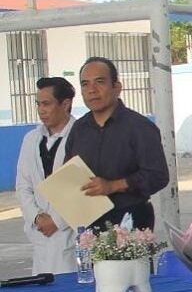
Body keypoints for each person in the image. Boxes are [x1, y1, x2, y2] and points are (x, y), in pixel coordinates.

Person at [65, 57, 169, 231]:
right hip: (89, 222)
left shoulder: (139, 127)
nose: (92, 90)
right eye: (85, 84)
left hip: (130, 219)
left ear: (116, 87)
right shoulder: (79, 129)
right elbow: (69, 171)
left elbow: (158, 176)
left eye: (99, 82)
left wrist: (113, 186)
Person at [15, 77, 78, 274]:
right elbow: (23, 185)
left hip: (71, 233)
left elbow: (84, 188)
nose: (41, 110)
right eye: (38, 104)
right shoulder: (31, 139)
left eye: (47, 104)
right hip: (40, 234)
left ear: (65, 104)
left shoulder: (81, 136)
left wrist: (57, 221)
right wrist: (36, 217)